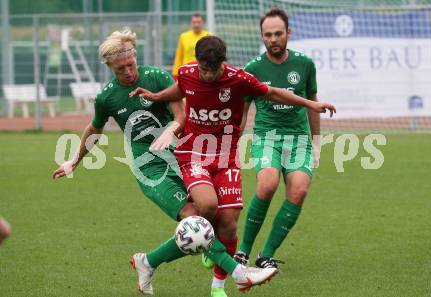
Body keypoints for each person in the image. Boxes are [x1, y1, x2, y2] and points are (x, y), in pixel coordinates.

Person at [52, 29, 276, 295]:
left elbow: (180, 115)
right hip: (150, 168)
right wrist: (74, 161)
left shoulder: (157, 77)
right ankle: (240, 274)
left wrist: (171, 130)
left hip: (180, 154)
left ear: (136, 56)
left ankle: (147, 261)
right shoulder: (107, 97)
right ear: (110, 67)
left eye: (130, 64)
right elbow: (95, 129)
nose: (127, 71)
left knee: (212, 219)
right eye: (120, 68)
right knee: (193, 219)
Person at [130, 35, 335, 297]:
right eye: (203, 69)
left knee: (227, 225)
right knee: (207, 207)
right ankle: (236, 271)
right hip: (193, 152)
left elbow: (272, 92)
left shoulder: (239, 79)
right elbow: (181, 89)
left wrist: (311, 104)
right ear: (198, 62)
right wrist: (158, 95)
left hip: (226, 156)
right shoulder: (188, 72)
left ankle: (213, 284)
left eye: (212, 71)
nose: (207, 75)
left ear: (222, 64)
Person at [234, 8, 322, 269]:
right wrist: (233, 142)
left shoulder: (305, 64)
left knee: (299, 190)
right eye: (268, 35)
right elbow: (243, 111)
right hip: (267, 137)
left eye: (278, 34)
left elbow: (312, 103)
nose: (273, 39)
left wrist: (317, 142)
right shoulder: (253, 68)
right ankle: (243, 251)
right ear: (262, 37)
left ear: (288, 33)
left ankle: (266, 254)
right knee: (268, 183)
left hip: (298, 140)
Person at [172, 13, 210, 78]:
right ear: (191, 23)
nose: (196, 25)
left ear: (203, 23)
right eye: (194, 22)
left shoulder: (209, 36)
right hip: (187, 72)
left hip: (203, 72)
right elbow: (179, 55)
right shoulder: (184, 37)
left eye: (199, 22)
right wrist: (175, 73)